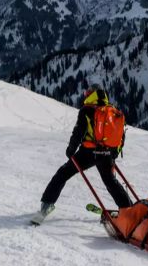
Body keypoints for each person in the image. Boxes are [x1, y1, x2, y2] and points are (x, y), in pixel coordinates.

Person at [38, 85, 132, 219]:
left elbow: (78, 133)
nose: (85, 95)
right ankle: (129, 210)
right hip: (107, 153)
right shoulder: (113, 111)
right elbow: (121, 135)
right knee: (110, 181)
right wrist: (113, 153)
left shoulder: (87, 110)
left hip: (88, 153)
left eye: (87, 93)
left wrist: (71, 150)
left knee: (63, 173)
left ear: (92, 94)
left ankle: (47, 205)